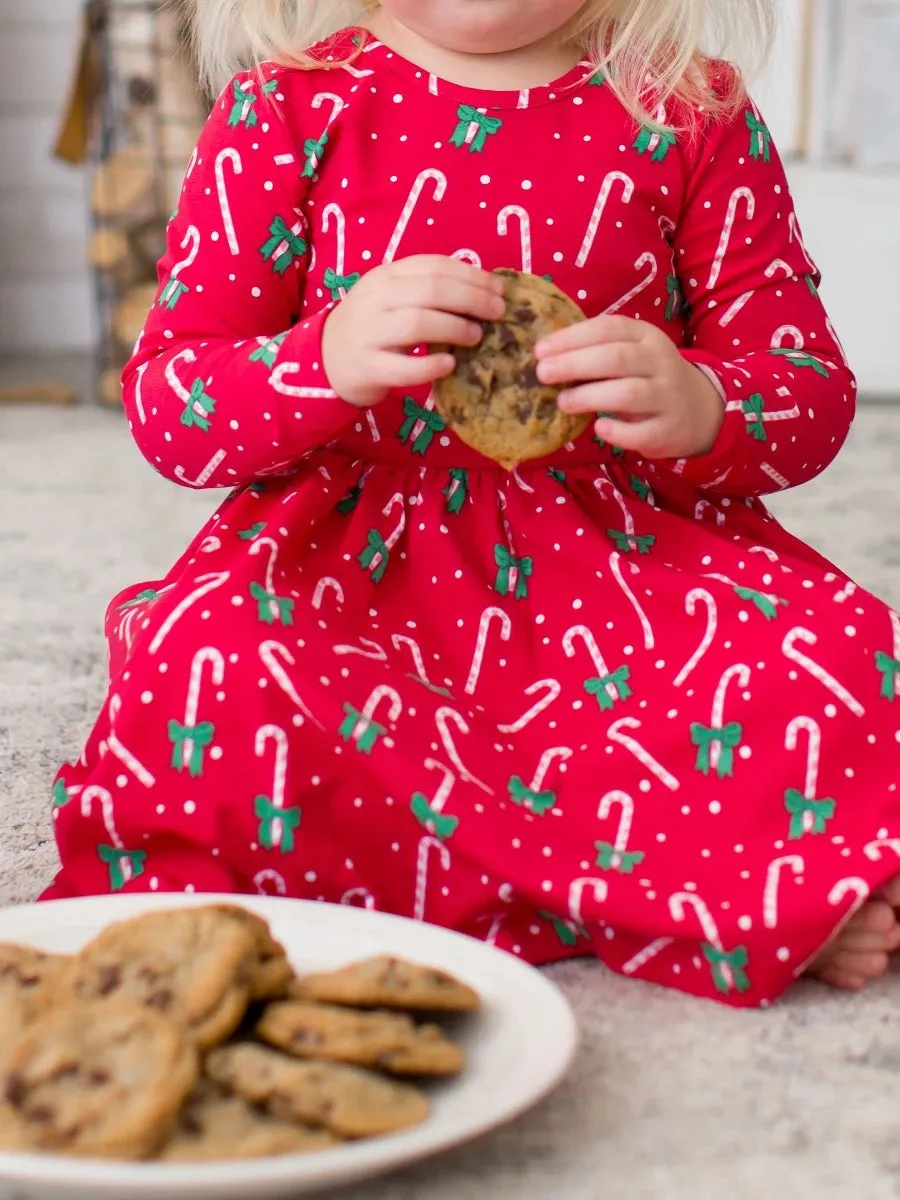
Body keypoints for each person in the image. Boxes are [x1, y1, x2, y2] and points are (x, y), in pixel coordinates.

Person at [43, 0, 900, 1007]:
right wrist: (318, 359)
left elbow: (807, 387)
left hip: (621, 572)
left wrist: (706, 401)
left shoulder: (691, 110)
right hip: (352, 572)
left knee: (834, 648)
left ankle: (457, 882)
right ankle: (698, 890)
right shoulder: (289, 101)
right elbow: (171, 401)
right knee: (211, 659)